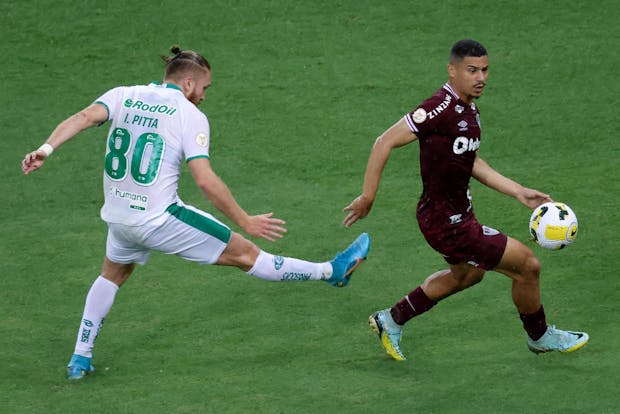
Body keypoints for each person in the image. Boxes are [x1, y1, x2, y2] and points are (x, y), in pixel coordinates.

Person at [22, 45, 370, 379]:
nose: (204, 95)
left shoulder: (122, 94)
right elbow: (204, 180)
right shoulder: (190, 115)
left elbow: (83, 118)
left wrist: (45, 149)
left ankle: (80, 358)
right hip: (159, 219)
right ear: (188, 82)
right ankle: (332, 271)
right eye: (204, 87)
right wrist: (245, 220)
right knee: (248, 256)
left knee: (112, 275)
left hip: (118, 218)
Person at [342, 39, 587, 361]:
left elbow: (468, 160)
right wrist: (368, 196)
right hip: (448, 223)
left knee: (468, 274)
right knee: (527, 265)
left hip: (455, 216)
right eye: (472, 70)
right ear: (452, 70)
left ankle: (391, 319)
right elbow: (383, 141)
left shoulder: (467, 107)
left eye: (485, 70)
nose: (480, 77)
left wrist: (517, 190)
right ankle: (540, 336)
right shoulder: (438, 108)